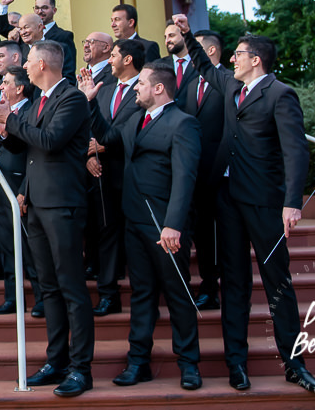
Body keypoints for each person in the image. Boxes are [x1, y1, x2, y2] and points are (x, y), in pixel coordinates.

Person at [174, 14, 315, 394]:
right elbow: (206, 65)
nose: (232, 60)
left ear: (256, 59)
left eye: (238, 54)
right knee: (234, 284)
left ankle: (294, 363)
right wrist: (188, 34)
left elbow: (296, 151)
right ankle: (236, 364)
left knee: (278, 283)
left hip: (263, 202)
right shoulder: (229, 85)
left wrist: (293, 202)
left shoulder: (280, 94)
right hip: (227, 201)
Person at [0, 41, 93, 397]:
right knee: (49, 287)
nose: (24, 67)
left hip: (63, 204)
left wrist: (10, 119)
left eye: (28, 61)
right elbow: (23, 146)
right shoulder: (39, 101)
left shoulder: (71, 99)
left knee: (72, 288)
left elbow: (50, 141)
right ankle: (56, 360)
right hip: (37, 204)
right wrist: (5, 125)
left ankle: (81, 368)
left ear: (42, 64)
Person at [95, 62, 202, 391]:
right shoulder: (134, 119)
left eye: (141, 83)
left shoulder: (183, 123)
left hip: (165, 226)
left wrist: (173, 225)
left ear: (158, 88)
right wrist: (88, 102)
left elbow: (185, 178)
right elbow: (106, 139)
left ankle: (189, 364)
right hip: (133, 221)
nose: (135, 88)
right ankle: (138, 361)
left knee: (178, 294)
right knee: (141, 294)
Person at [83, 38, 145, 317]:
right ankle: (108, 294)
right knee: (105, 234)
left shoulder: (145, 90)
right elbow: (88, 125)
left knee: (137, 236)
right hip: (100, 173)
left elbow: (133, 128)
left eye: (114, 55)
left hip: (132, 172)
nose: (110, 61)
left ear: (128, 59)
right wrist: (89, 156)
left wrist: (103, 146)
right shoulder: (104, 90)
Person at [0, 60, 40, 317]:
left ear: (21, 88)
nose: (1, 87)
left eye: (6, 83)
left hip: (20, 188)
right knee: (7, 247)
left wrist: (25, 191)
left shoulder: (32, 112)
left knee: (30, 248)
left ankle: (42, 300)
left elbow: (33, 155)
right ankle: (13, 298)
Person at [181, 29, 225, 310]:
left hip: (219, 175)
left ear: (209, 52)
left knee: (215, 236)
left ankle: (212, 287)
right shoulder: (188, 84)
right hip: (190, 172)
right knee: (196, 232)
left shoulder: (229, 82)